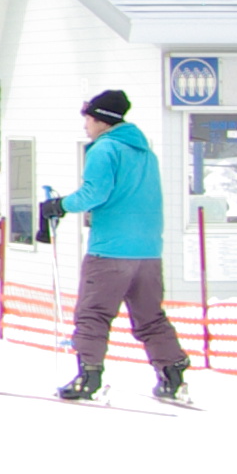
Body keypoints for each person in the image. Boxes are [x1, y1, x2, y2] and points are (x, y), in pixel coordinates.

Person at [39, 90, 192, 404]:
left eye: (88, 118)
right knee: (150, 316)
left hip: (110, 251)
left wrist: (59, 205)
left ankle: (88, 376)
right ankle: (172, 371)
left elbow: (94, 193)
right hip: (148, 251)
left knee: (93, 314)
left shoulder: (104, 149)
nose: (85, 125)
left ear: (101, 120)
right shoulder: (145, 153)